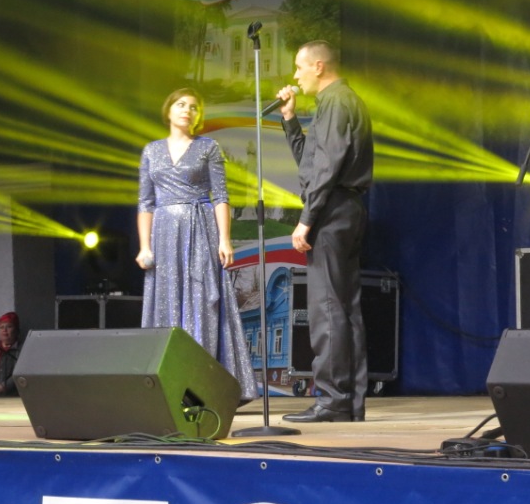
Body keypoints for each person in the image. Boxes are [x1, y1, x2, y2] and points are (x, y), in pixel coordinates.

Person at [273, 40, 373, 423]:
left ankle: (332, 400)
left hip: (332, 209)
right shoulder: (339, 101)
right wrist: (289, 119)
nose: (295, 75)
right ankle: (348, 402)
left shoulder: (336, 102)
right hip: (344, 208)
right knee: (345, 307)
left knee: (327, 307)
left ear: (318, 66)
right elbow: (311, 164)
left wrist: (307, 218)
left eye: (299, 67)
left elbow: (327, 168)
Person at [135, 87, 257, 400]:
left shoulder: (207, 147)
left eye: (193, 106)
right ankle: (166, 382)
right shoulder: (151, 151)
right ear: (168, 110)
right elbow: (146, 202)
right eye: (181, 104)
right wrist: (145, 246)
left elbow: (221, 196)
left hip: (199, 231)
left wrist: (225, 239)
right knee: (167, 302)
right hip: (164, 236)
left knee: (202, 302)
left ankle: (203, 383)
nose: (187, 110)